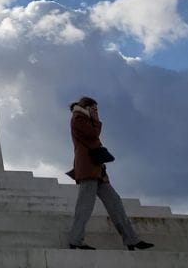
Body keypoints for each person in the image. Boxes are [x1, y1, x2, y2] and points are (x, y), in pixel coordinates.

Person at [66, 96, 154, 251]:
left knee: (115, 204)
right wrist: (96, 120)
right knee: (85, 207)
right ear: (86, 107)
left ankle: (132, 239)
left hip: (98, 170)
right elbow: (93, 136)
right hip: (88, 169)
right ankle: (75, 240)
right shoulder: (78, 119)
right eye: (94, 109)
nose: (96, 112)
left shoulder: (84, 119)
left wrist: (93, 120)